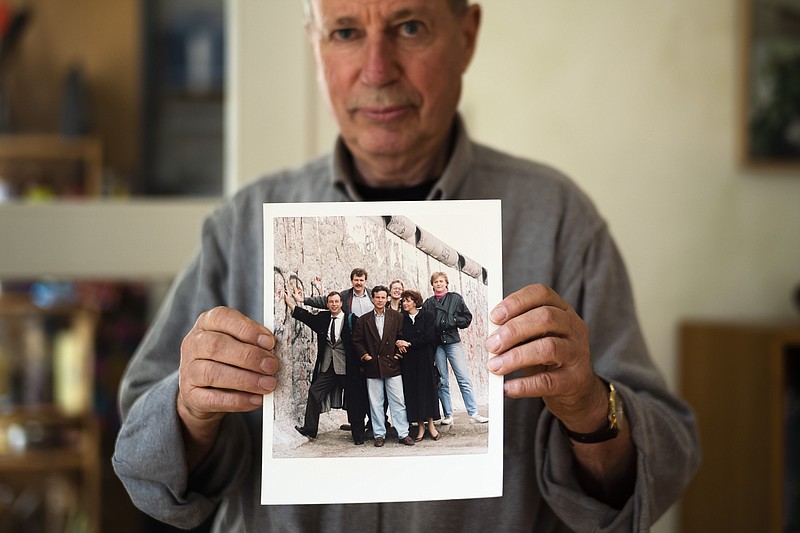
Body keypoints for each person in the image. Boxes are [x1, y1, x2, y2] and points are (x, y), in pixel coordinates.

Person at [113, 1, 700, 531]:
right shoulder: (241, 225)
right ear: (315, 45)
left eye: (410, 27)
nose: (376, 69)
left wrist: (591, 409)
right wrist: (190, 407)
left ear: (466, 35)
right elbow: (143, 466)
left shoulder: (558, 220)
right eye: (345, 31)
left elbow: (659, 471)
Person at [283, 288, 368, 445]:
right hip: (328, 366)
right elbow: (307, 317)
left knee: (354, 399)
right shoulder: (323, 318)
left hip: (347, 367)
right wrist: (290, 304)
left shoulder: (352, 320)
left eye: (336, 301)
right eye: (331, 302)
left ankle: (358, 435)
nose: (334, 304)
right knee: (315, 392)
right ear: (327, 305)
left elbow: (361, 341)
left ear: (341, 303)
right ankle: (310, 429)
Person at [352, 285, 414, 447]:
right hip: (373, 366)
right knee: (376, 402)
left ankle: (403, 433)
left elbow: (402, 337)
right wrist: (365, 356)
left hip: (393, 365)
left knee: (398, 401)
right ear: (372, 298)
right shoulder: (363, 320)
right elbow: (357, 341)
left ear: (387, 299)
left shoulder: (397, 317)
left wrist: (397, 355)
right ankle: (379, 434)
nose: (380, 300)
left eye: (383, 297)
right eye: (377, 297)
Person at [422, 271, 487, 425]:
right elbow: (424, 323)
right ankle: (448, 414)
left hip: (452, 341)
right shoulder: (429, 303)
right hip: (437, 344)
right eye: (435, 282)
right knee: (442, 380)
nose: (438, 284)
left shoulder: (455, 298)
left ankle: (474, 413)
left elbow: (467, 318)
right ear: (432, 285)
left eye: (441, 281)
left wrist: (452, 320)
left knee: (463, 378)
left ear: (446, 283)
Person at [396, 289, 441, 442]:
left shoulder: (427, 315)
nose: (405, 303)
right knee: (413, 391)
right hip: (409, 360)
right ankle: (420, 426)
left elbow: (429, 336)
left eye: (408, 300)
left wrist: (409, 343)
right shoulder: (402, 318)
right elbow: (398, 335)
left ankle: (431, 425)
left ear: (415, 302)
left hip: (425, 358)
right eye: (403, 301)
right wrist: (399, 342)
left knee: (427, 390)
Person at [301, 268, 373, 317]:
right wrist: (304, 300)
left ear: (365, 281)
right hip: (353, 335)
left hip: (371, 335)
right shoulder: (345, 296)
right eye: (356, 280)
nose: (359, 283)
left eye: (361, 280)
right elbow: (325, 301)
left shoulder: (373, 295)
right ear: (351, 281)